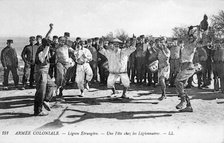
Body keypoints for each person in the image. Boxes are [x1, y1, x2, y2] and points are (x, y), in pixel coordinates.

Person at [175, 30, 200, 112]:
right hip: (183, 66)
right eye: (189, 37)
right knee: (181, 85)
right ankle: (189, 106)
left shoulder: (193, 45)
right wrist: (189, 31)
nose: (189, 39)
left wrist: (199, 30)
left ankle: (183, 101)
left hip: (188, 65)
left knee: (178, 81)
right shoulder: (185, 45)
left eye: (191, 38)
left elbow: (198, 39)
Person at [34, 38, 56, 116]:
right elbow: (42, 58)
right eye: (49, 44)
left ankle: (46, 100)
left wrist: (51, 29)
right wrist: (47, 46)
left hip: (45, 73)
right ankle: (38, 111)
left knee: (52, 85)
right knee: (40, 92)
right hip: (40, 72)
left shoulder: (45, 48)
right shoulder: (41, 50)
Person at [55, 36, 75, 101]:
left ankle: (60, 93)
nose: (62, 42)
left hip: (67, 64)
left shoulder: (66, 47)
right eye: (61, 40)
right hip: (59, 63)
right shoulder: (56, 46)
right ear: (58, 40)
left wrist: (72, 60)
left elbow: (74, 51)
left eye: (63, 41)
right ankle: (57, 89)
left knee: (64, 79)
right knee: (60, 76)